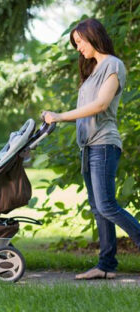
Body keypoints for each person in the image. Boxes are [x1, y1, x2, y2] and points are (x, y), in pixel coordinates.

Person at [42, 18, 140, 280]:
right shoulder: (92, 72)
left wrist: (60, 116)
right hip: (88, 147)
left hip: (104, 144)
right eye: (75, 44)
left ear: (93, 36)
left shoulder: (113, 65)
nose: (78, 48)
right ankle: (106, 265)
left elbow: (100, 105)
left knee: (107, 205)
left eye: (80, 41)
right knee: (98, 208)